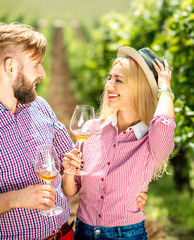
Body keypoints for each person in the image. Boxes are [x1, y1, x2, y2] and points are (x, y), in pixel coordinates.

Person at [0, 23, 148, 240]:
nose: (43, 73)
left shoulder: (40, 107)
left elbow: (79, 164)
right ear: (10, 67)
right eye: (36, 64)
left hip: (64, 235)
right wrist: (15, 199)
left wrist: (127, 189)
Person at [61, 47, 175, 240]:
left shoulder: (150, 142)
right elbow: (70, 190)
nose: (108, 86)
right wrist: (69, 172)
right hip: (83, 232)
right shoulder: (92, 129)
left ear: (140, 88)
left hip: (126, 235)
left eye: (118, 80)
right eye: (110, 78)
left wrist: (164, 88)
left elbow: (164, 123)